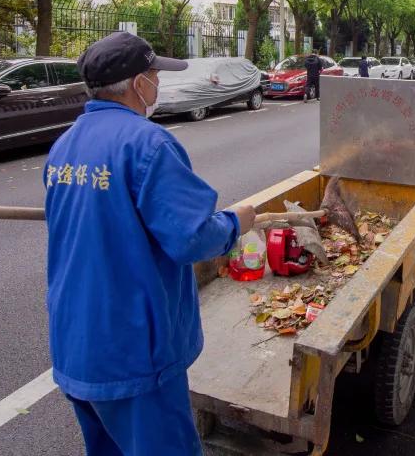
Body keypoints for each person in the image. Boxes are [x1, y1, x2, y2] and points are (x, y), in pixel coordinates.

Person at [43, 31, 257, 455]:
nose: (158, 83)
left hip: (75, 343)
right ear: (138, 83)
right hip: (134, 351)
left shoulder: (64, 146)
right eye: (155, 74)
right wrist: (236, 223)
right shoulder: (148, 143)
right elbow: (191, 237)